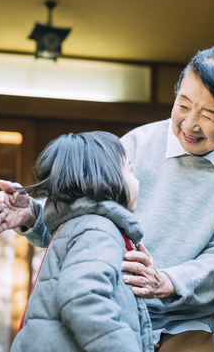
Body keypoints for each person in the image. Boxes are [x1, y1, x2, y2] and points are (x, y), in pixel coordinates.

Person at [0, 43, 214, 352]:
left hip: (185, 320)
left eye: (210, 116)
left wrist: (166, 282)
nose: (190, 124)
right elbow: (86, 216)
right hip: (115, 299)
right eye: (183, 104)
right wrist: (33, 215)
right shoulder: (135, 144)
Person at [9, 131, 152, 352]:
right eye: (130, 170)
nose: (137, 179)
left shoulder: (78, 226)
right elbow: (83, 296)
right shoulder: (98, 229)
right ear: (106, 177)